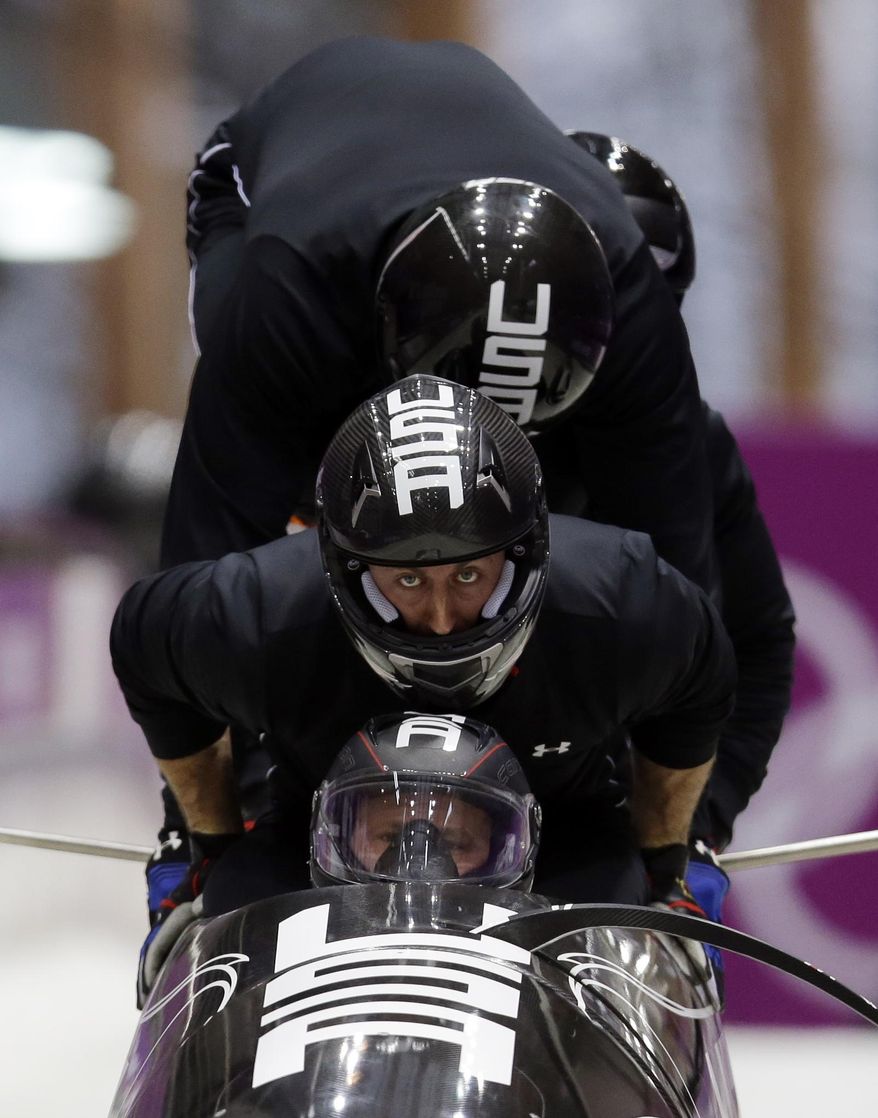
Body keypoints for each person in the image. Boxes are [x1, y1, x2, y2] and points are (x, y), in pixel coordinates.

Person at [112, 375, 736, 1003]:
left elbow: (699, 690)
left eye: (468, 573)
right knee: (230, 907)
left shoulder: (628, 604)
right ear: (347, 567)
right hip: (313, 838)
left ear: (522, 554)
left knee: (619, 919)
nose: (441, 618)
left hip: (564, 840)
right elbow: (145, 656)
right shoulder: (252, 613)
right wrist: (204, 849)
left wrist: (668, 865)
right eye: (407, 580)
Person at [163, 36, 714, 596]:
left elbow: (677, 578)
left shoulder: (633, 298)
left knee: (546, 495)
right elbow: (203, 575)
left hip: (397, 192)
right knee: (313, 469)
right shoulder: (290, 284)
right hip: (273, 179)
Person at [565, 131, 796, 933]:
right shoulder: (421, 439)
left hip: (618, 844)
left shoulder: (693, 443)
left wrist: (697, 817)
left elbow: (757, 642)